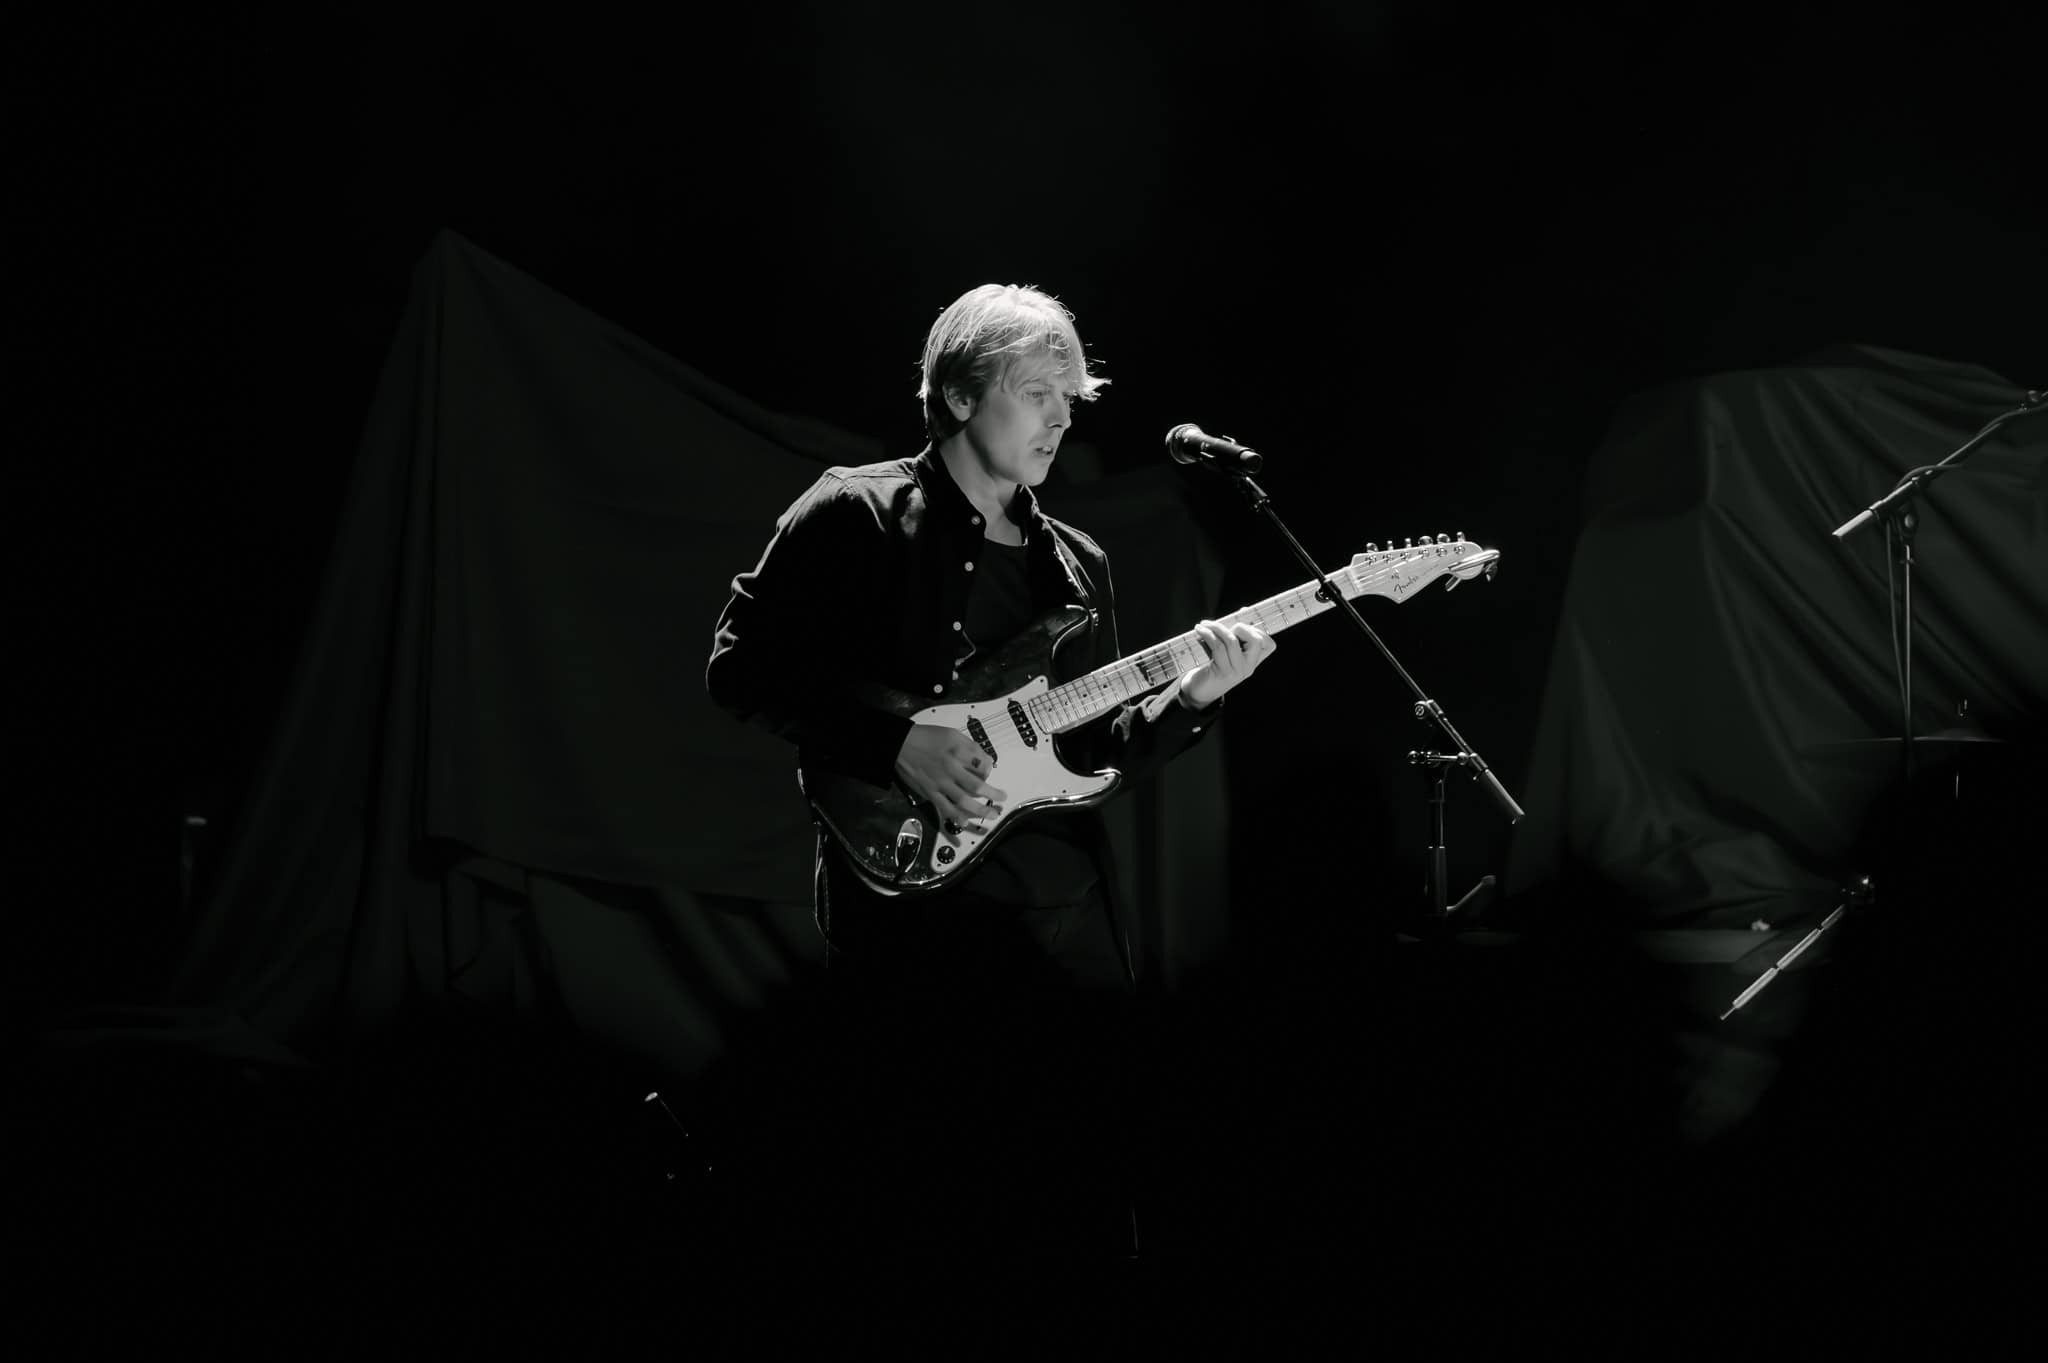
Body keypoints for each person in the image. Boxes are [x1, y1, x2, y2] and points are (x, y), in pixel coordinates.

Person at [705, 283, 1274, 1265]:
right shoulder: (854, 510)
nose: (1061, 418)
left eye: (1070, 398)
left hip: (1061, 919)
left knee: (1074, 1210)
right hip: (913, 917)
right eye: (1038, 392)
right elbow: (740, 667)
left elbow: (1090, 752)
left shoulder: (1077, 566)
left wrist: (1190, 698)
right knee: (923, 1201)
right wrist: (892, 741)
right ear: (961, 394)